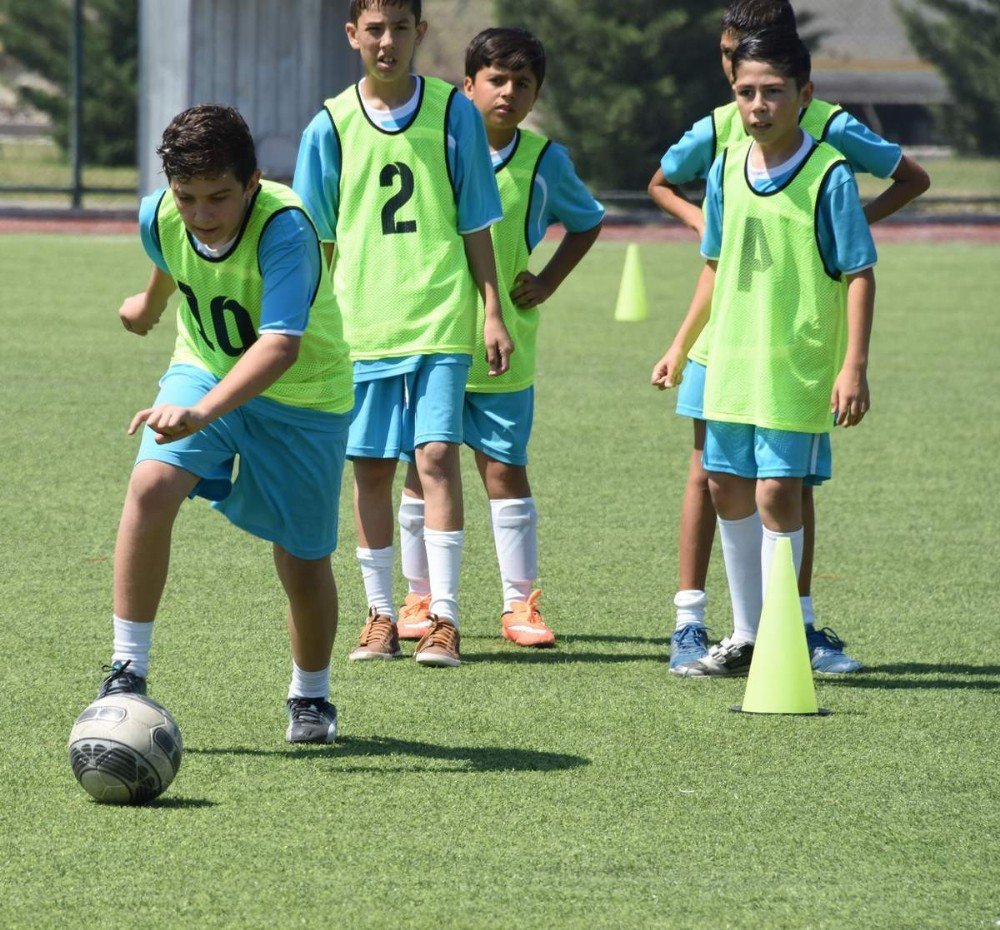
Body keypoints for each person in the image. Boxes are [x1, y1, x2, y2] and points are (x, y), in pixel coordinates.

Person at [647, 0, 929, 675]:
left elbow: (860, 273)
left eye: (773, 92)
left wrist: (853, 367)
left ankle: (789, 631)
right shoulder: (723, 167)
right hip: (732, 361)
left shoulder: (828, 172)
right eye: (746, 92)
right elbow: (715, 267)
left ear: (804, 95)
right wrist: (682, 344)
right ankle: (748, 634)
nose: (757, 104)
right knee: (724, 484)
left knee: (779, 492)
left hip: (795, 365)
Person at [98, 105, 354, 744]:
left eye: (219, 198)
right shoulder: (161, 212)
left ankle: (311, 695)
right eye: (188, 197)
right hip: (206, 368)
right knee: (150, 488)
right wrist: (149, 304)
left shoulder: (286, 229)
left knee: (301, 559)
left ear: (253, 183)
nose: (203, 214)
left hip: (303, 398)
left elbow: (280, 348)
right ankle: (127, 671)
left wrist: (201, 412)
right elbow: (175, 255)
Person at [293, 0, 511, 669]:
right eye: (375, 29)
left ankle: (443, 617)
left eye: (401, 29)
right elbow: (315, 239)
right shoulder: (328, 126)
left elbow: (476, 220)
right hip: (362, 327)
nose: (388, 42)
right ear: (352, 34)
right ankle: (382, 615)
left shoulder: (453, 114)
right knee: (371, 469)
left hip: (441, 316)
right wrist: (303, 324)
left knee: (438, 458)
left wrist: (492, 309)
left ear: (421, 32)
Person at [392, 27, 604, 649]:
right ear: (468, 85)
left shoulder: (544, 161)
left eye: (522, 84)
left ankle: (521, 606)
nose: (508, 93)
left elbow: (587, 222)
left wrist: (549, 279)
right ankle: (419, 595)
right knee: (419, 466)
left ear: (536, 92)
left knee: (504, 471)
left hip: (503, 344)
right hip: (430, 337)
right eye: (496, 80)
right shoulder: (433, 149)